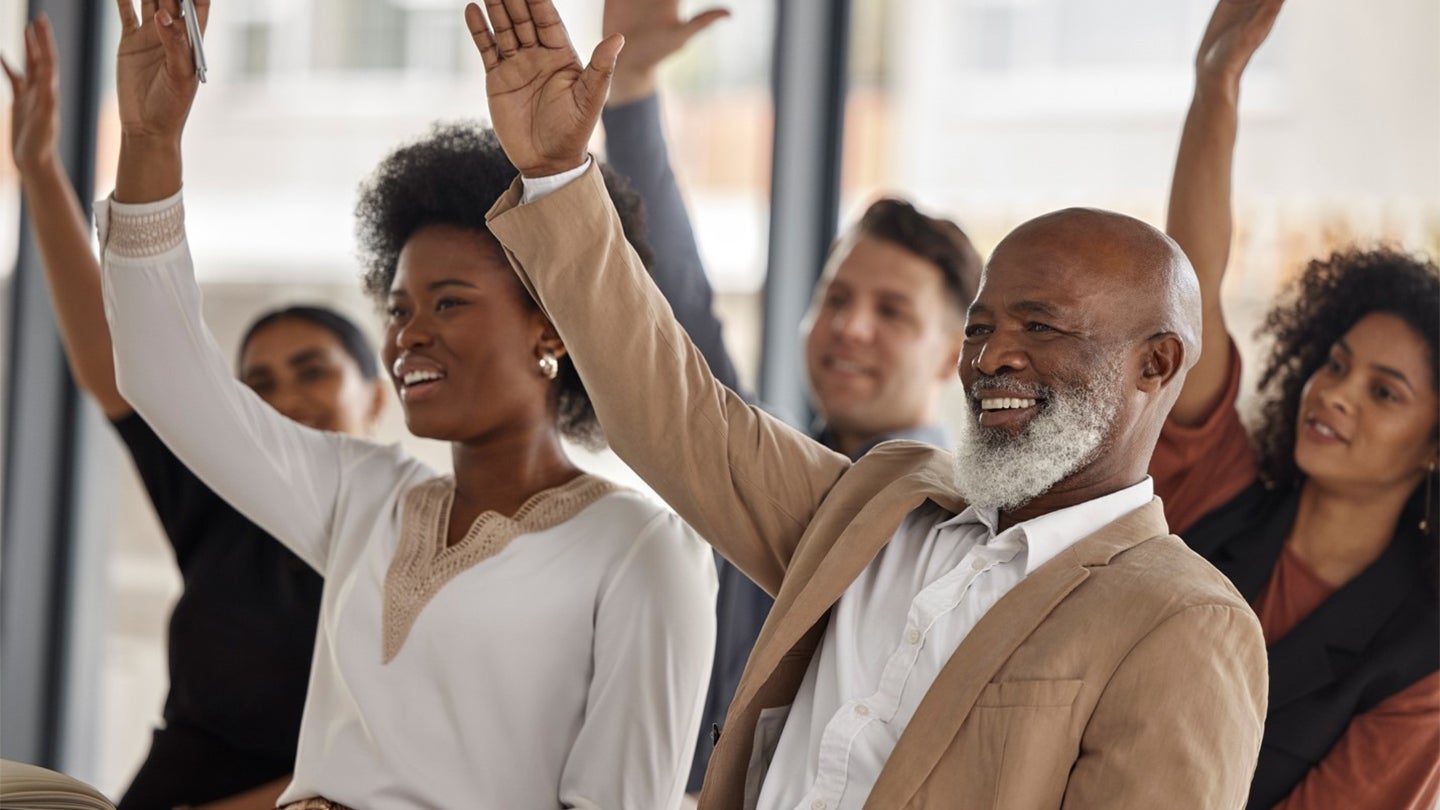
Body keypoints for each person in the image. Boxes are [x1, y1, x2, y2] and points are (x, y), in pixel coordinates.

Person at [468, 1, 1268, 807]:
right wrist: (558, 175)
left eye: (1041, 325)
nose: (994, 356)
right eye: (981, 326)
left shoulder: (1183, 618)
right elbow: (677, 408)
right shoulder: (889, 501)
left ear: (1156, 363)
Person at [96, 2, 716, 808]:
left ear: (553, 326)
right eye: (398, 309)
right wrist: (151, 145)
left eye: (449, 303)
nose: (409, 336)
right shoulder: (367, 498)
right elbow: (162, 376)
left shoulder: (642, 551)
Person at [596, 0, 982, 787]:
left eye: (891, 312)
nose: (852, 329)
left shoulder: (962, 529)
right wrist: (629, 84)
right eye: (836, 299)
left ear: (954, 356)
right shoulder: (755, 462)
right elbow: (678, 310)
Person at [3, 17, 383, 809]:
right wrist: (39, 168)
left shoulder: (404, 542)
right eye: (261, 383)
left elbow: (381, 770)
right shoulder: (223, 508)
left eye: (312, 371)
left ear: (376, 395)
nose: (284, 397)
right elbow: (117, 369)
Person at [1156, 0, 1440, 806]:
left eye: (1384, 392)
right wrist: (1217, 82)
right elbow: (1189, 297)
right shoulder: (1221, 491)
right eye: (1338, 364)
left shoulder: (1421, 656)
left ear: (1434, 443)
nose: (1336, 394)